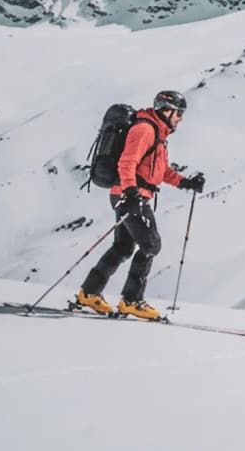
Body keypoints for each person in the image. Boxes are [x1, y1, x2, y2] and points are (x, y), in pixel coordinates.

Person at [74, 90, 205, 319]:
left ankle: (89, 293)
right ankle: (132, 301)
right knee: (151, 244)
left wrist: (186, 183)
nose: (180, 119)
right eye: (178, 113)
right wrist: (132, 194)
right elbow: (127, 162)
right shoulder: (144, 129)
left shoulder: (158, 134)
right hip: (131, 195)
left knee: (123, 247)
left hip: (128, 194)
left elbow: (160, 171)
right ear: (166, 110)